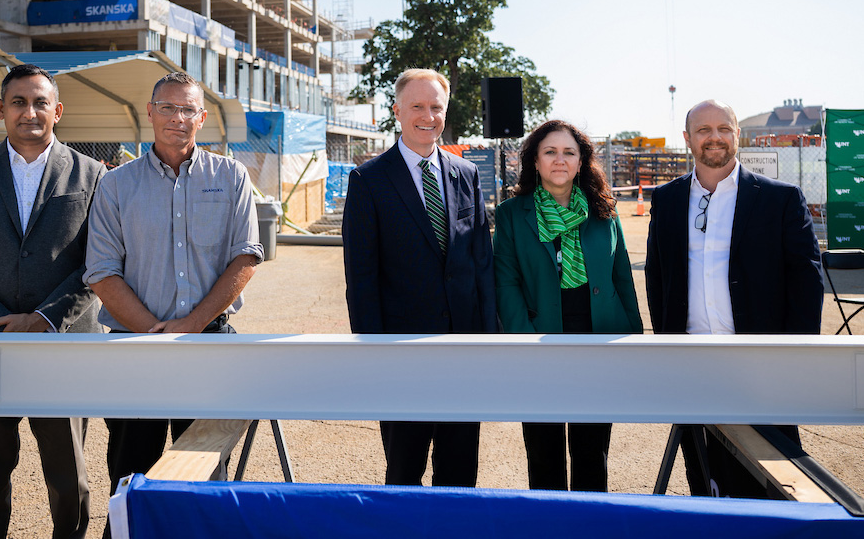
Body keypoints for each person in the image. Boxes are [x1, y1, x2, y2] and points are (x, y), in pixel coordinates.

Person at [82, 71, 262, 536]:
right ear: (150, 111)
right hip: (133, 349)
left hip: (210, 344)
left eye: (187, 110)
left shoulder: (231, 175)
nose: (177, 118)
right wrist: (152, 331)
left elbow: (246, 256)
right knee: (129, 474)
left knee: (203, 475)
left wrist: (192, 324)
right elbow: (102, 270)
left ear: (201, 119)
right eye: (168, 107)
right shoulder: (116, 185)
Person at [0, 64, 105, 539]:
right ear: (0, 109)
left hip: (64, 347)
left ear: (58, 111)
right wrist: (1, 323)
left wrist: (46, 319)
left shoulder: (92, 175)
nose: (30, 112)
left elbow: (100, 264)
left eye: (40, 102)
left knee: (69, 478)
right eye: (19, 102)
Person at [645, 99, 823, 497]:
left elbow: (806, 282)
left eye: (724, 128)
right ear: (688, 139)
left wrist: (794, 354)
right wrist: (668, 341)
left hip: (759, 361)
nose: (715, 137)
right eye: (704, 130)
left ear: (737, 134)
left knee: (772, 476)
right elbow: (657, 277)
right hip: (692, 360)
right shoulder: (668, 200)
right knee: (703, 472)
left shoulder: (780, 199)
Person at [342, 68, 496, 487]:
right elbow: (361, 278)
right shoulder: (368, 180)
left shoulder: (466, 174)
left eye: (435, 107)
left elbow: (481, 261)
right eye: (417, 106)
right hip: (401, 351)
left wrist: (488, 340)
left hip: (461, 350)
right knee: (405, 471)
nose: (427, 116)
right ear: (397, 111)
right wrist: (374, 351)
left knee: (460, 470)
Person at [494, 119, 642, 492]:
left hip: (599, 342)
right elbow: (506, 282)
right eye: (550, 152)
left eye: (569, 152)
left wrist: (633, 336)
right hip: (539, 344)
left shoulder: (604, 209)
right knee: (544, 453)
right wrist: (524, 340)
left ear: (581, 162)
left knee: (592, 451)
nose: (559, 160)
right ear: (536, 161)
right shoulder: (513, 213)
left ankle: (590, 525)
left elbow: (621, 273)